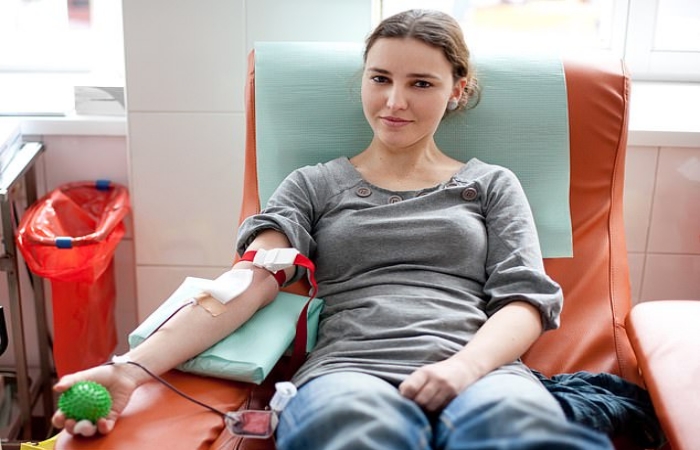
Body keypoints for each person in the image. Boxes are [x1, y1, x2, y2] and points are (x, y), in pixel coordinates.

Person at [52, 9, 614, 449]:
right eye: (380, 78)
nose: (394, 102)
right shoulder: (313, 185)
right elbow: (246, 285)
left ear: (457, 90)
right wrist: (130, 370)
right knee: (349, 431)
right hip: (349, 374)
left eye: (421, 84)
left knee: (520, 432)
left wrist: (464, 368)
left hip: (484, 371)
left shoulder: (491, 184)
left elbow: (524, 300)